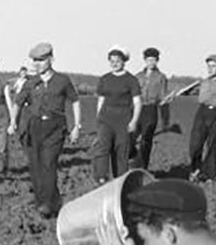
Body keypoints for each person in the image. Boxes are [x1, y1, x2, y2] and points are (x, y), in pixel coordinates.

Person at [14, 42, 82, 217]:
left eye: (41, 60)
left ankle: (47, 203)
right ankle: (45, 202)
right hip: (34, 127)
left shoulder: (62, 81)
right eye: (34, 61)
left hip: (55, 127)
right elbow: (18, 102)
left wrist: (76, 126)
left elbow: (75, 101)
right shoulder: (30, 82)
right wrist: (13, 121)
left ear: (51, 59)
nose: (37, 64)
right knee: (36, 166)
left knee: (49, 164)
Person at [93, 47, 141, 183]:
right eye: (112, 61)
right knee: (103, 147)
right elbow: (101, 99)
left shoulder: (131, 80)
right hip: (106, 118)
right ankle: (101, 177)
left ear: (124, 62)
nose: (114, 64)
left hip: (123, 119)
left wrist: (134, 121)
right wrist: (98, 117)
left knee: (121, 150)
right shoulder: (105, 79)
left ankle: (120, 180)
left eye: (118, 61)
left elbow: (137, 102)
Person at [188, 54, 216, 181]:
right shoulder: (203, 81)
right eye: (208, 66)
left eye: (213, 66)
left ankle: (210, 174)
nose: (210, 68)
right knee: (195, 145)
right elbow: (192, 93)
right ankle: (195, 169)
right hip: (202, 113)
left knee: (212, 146)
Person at [131, 47, 168, 171]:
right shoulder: (137, 76)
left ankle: (143, 168)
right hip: (137, 109)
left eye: (153, 60)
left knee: (146, 140)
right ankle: (134, 162)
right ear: (145, 61)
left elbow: (163, 99)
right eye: (148, 60)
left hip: (151, 110)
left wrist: (165, 119)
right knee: (130, 138)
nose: (151, 62)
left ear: (157, 61)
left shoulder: (161, 77)